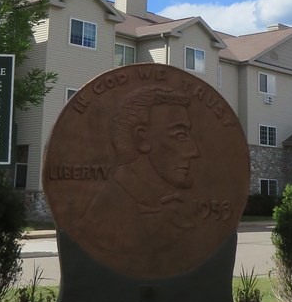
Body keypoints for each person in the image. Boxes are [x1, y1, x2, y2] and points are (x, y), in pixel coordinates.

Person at [76, 88, 202, 275]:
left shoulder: (166, 207)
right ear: (142, 138)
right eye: (180, 135)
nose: (194, 151)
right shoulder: (104, 219)